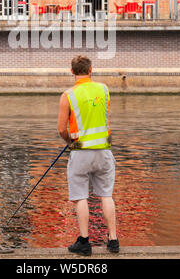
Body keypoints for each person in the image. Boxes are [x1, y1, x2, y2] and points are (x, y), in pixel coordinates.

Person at [57, 55, 119, 256]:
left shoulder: (68, 95)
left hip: (81, 151)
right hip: (104, 151)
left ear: (71, 71)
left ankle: (84, 242)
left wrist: (70, 141)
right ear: (91, 69)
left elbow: (61, 129)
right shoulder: (104, 89)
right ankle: (113, 240)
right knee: (106, 195)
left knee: (81, 197)